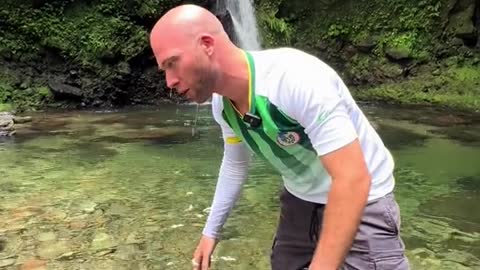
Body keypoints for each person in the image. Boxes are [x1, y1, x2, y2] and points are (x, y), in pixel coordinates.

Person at [149, 4, 409, 270]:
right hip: (300, 200)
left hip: (365, 199)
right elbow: (235, 164)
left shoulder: (296, 79)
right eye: (164, 70)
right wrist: (210, 232)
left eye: (172, 63)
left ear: (206, 44)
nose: (169, 81)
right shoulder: (222, 106)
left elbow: (353, 179)